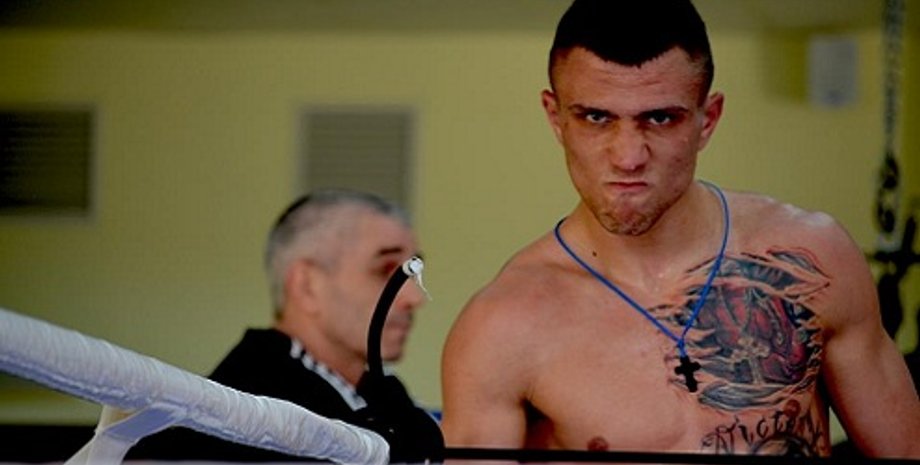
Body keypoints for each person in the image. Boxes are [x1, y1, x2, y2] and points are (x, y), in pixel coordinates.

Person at [441, 0, 920, 459]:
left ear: (707, 120)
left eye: (660, 118)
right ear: (556, 118)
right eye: (596, 118)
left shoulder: (814, 257)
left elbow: (906, 451)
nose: (629, 157)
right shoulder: (503, 326)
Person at [130, 188, 440, 461]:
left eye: (412, 274)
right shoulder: (247, 408)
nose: (414, 297)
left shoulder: (379, 390)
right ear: (307, 285)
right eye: (386, 269)